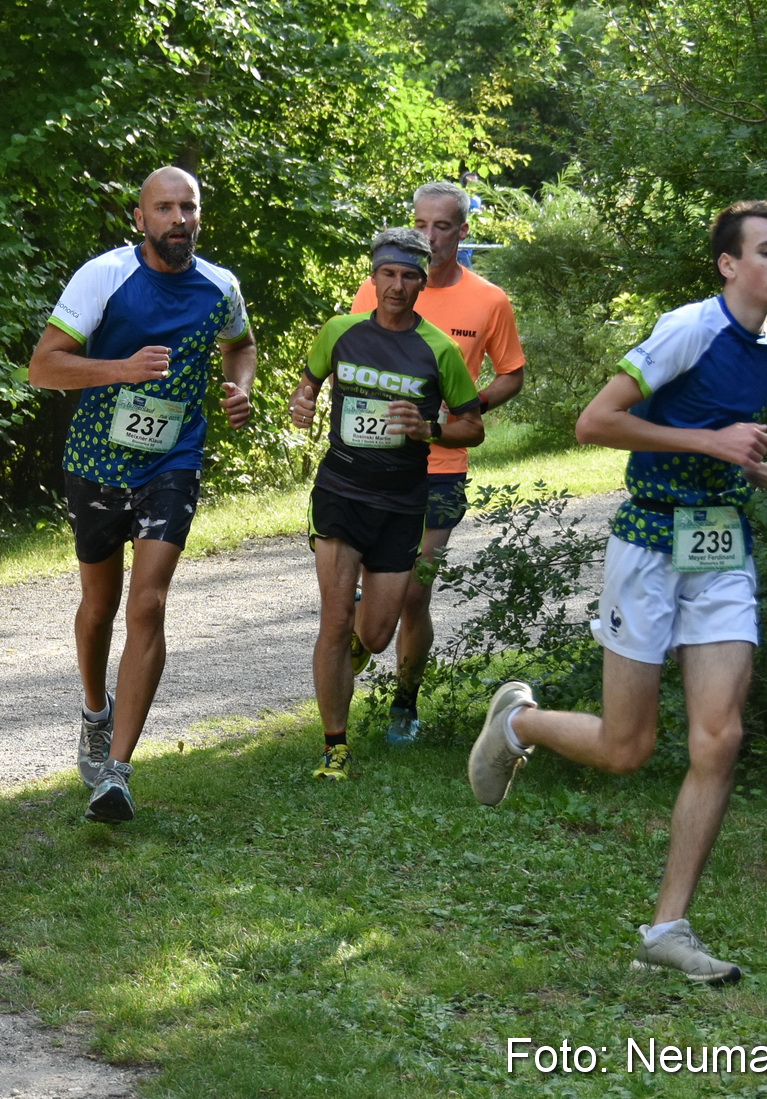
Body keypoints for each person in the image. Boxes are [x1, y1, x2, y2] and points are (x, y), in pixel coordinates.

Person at [466, 199, 767, 984]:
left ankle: (668, 928)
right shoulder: (690, 328)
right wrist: (710, 441)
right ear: (729, 264)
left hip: (721, 543)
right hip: (651, 540)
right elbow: (596, 422)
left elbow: (727, 448)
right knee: (628, 748)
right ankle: (517, 720)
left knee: (718, 738)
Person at [27, 166, 257, 824]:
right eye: (165, 208)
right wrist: (121, 369)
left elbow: (241, 346)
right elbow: (44, 365)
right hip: (97, 461)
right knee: (99, 605)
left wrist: (240, 386)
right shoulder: (104, 276)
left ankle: (117, 772)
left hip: (173, 460)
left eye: (189, 207)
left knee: (148, 601)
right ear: (141, 219)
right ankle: (95, 712)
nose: (178, 218)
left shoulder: (220, 286)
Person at [290, 227, 483, 780]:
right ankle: (335, 748)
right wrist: (301, 404)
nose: (396, 286)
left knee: (374, 635)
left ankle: (356, 640)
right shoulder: (340, 332)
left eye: (408, 276)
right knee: (334, 617)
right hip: (340, 492)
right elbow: (307, 386)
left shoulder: (439, 350)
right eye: (388, 274)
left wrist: (430, 428)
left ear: (423, 282)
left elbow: (473, 426)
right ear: (373, 276)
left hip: (401, 504)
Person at [347, 181, 526, 744]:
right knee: (364, 583)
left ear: (462, 232)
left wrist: (467, 407)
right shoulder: (378, 289)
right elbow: (348, 358)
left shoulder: (488, 299)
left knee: (416, 590)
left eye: (441, 226)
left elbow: (512, 372)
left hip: (440, 463)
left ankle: (405, 701)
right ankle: (358, 641)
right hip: (367, 462)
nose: (427, 237)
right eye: (419, 224)